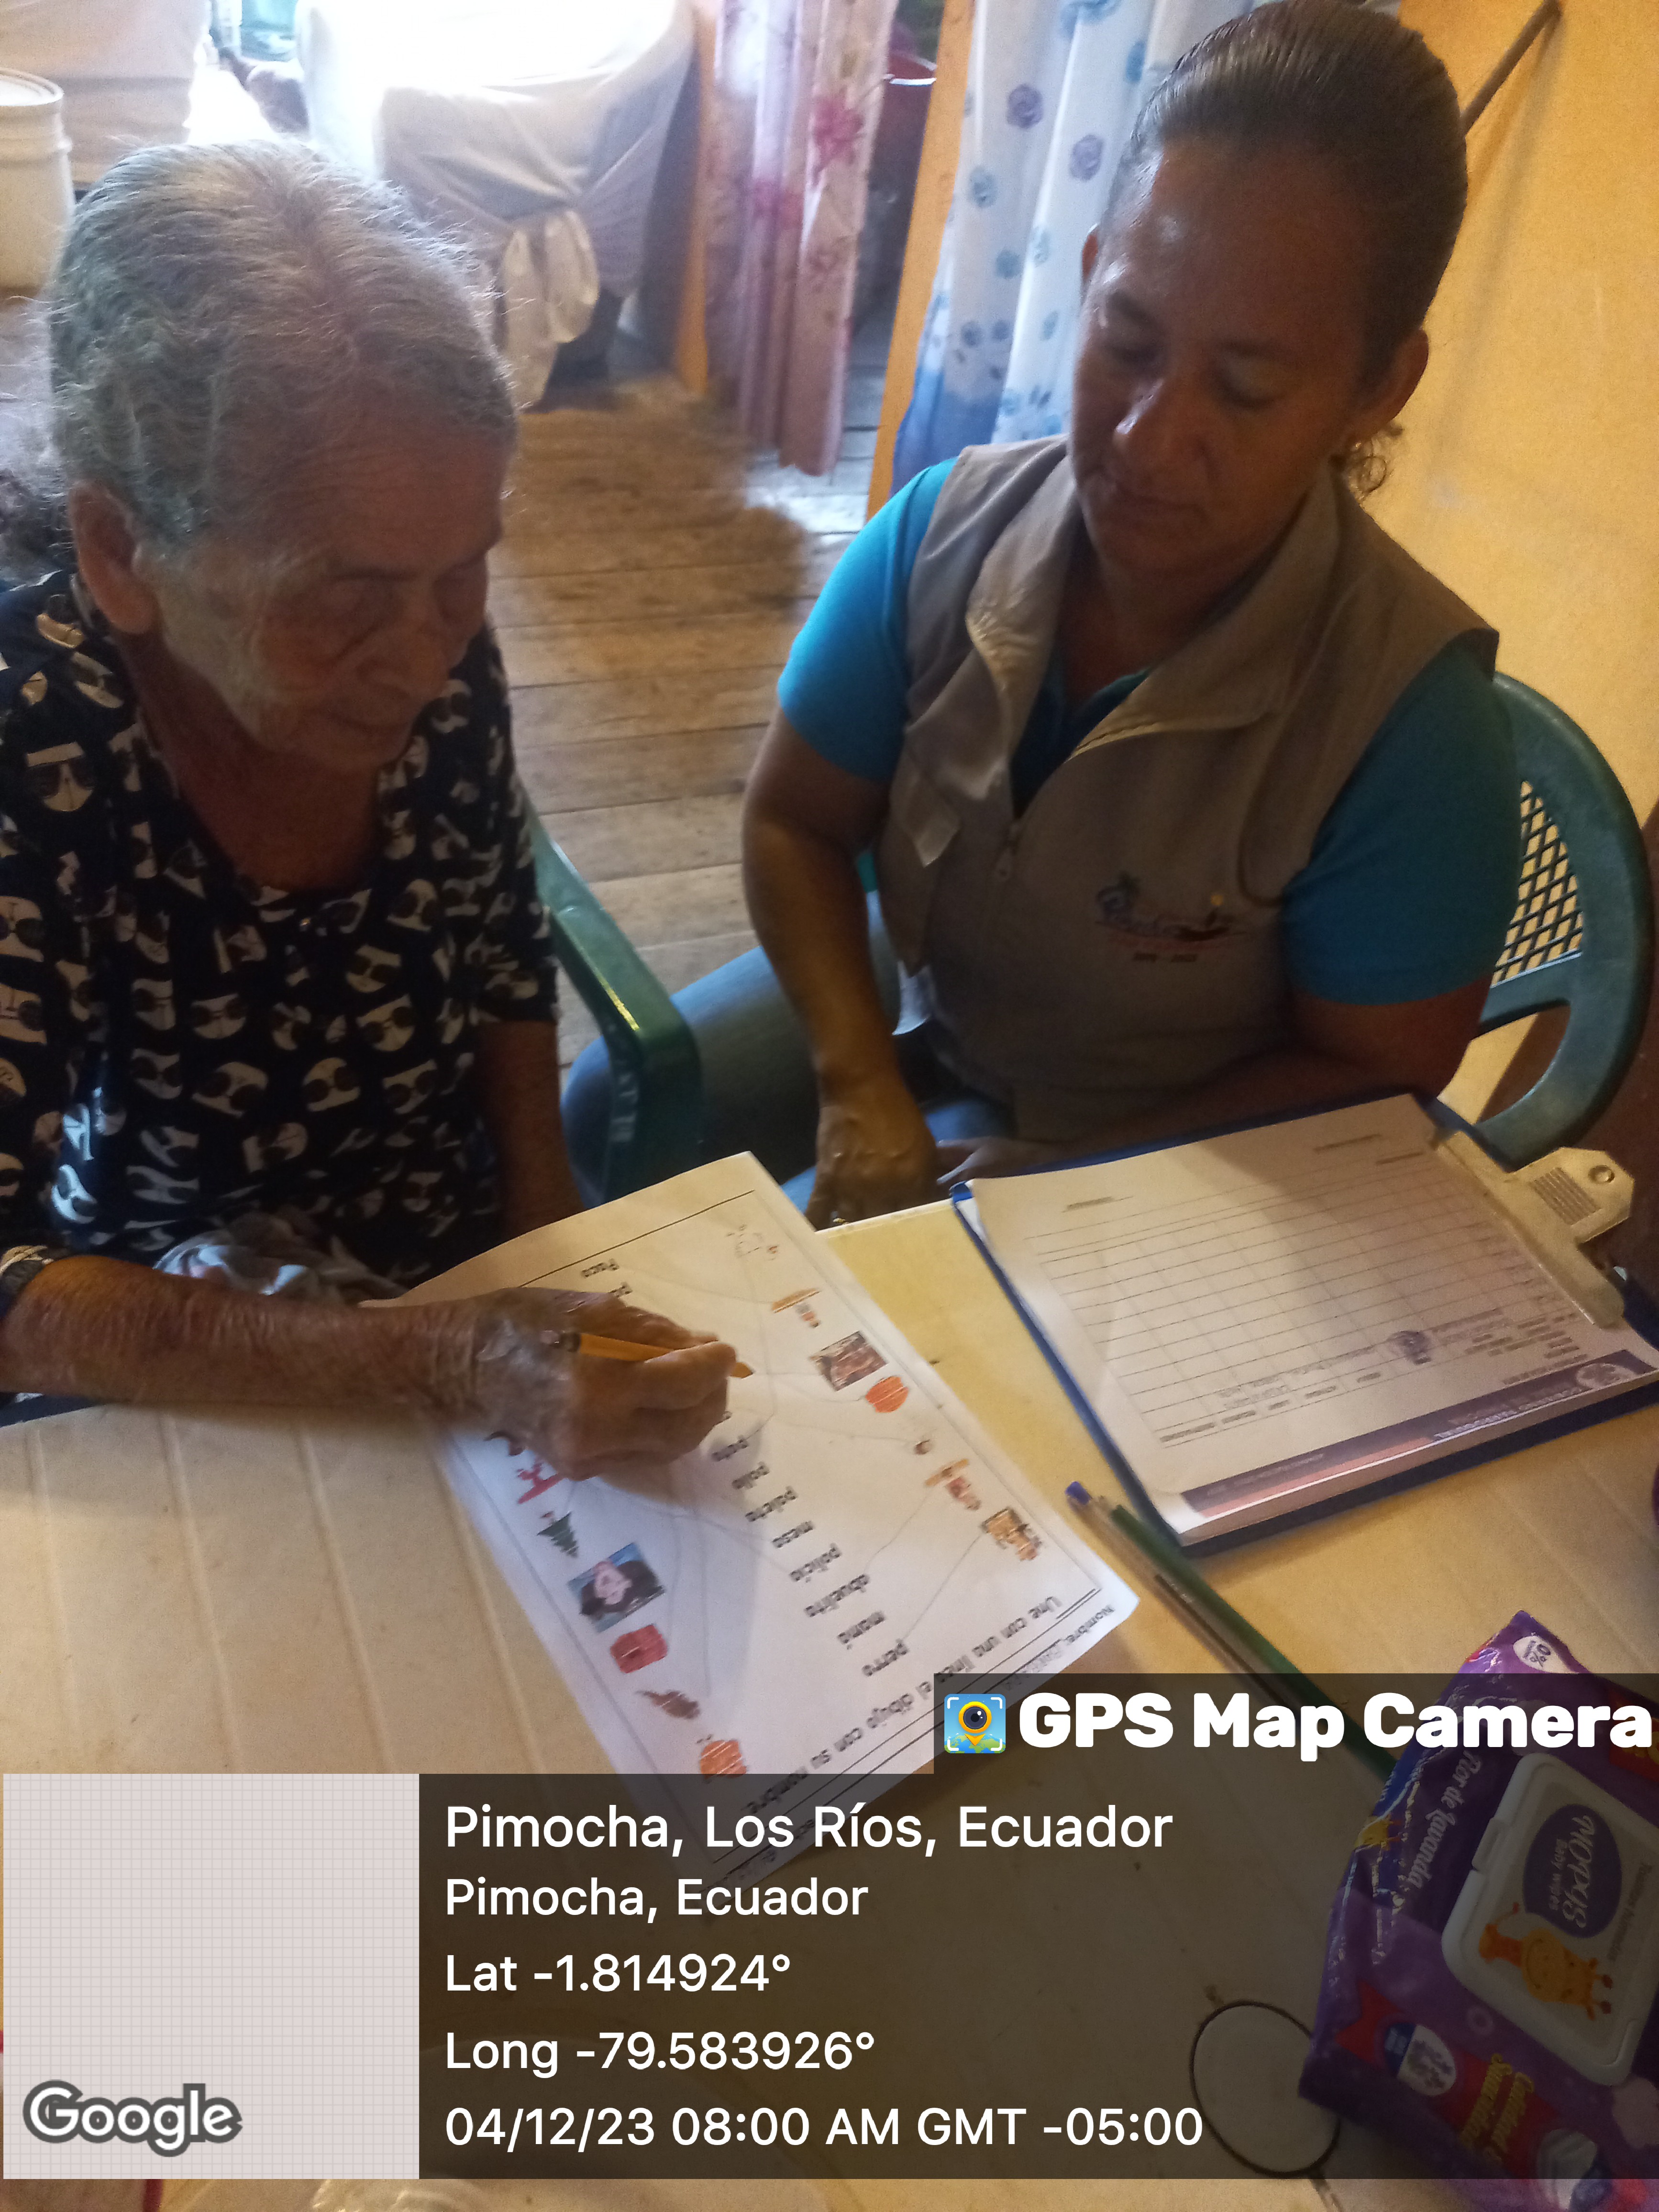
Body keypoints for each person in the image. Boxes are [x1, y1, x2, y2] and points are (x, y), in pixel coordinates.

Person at [564, 0, 1520, 1228]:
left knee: (845, 1264)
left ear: (1379, 388)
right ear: (1089, 275)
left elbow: (1376, 1074)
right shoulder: (942, 534)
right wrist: (857, 1079)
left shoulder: (1411, 729)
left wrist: (1069, 1183)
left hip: (1156, 1126)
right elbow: (797, 820)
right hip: (943, 990)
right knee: (606, 1108)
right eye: (1127, 339)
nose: (1149, 440)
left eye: (1245, 388)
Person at [0, 141, 734, 1475]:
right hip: (177, 1333)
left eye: (465, 575)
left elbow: (500, 945)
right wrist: (449, 1356)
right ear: (119, 551)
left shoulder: (428, 633)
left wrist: (546, 1249)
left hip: (451, 1263)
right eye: (340, 597)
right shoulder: (35, 734)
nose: (426, 661)